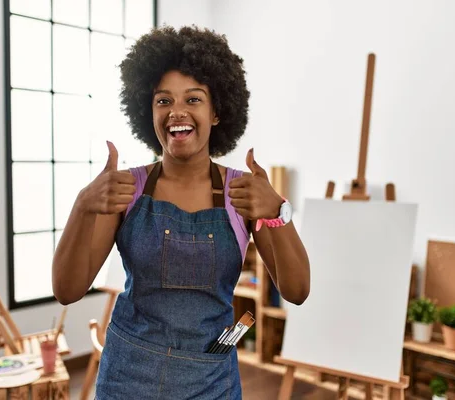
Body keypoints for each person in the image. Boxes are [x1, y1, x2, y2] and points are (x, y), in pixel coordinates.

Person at [52, 25, 310, 399]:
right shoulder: (126, 189)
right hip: (127, 377)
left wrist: (276, 210)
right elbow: (66, 289)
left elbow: (298, 290)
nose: (177, 112)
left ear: (217, 111)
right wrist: (82, 205)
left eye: (193, 99)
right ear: (148, 110)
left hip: (210, 380)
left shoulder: (243, 194)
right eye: (163, 101)